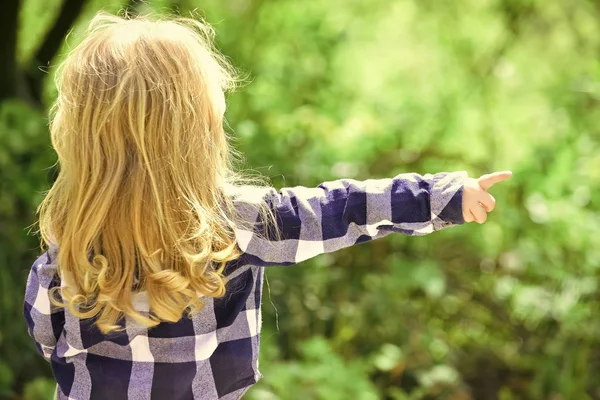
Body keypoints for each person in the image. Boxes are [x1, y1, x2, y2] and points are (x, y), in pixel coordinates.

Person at [23, 12, 512, 400]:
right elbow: (343, 210)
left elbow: (46, 338)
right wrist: (441, 195)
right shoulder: (233, 224)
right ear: (199, 135)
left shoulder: (67, 252)